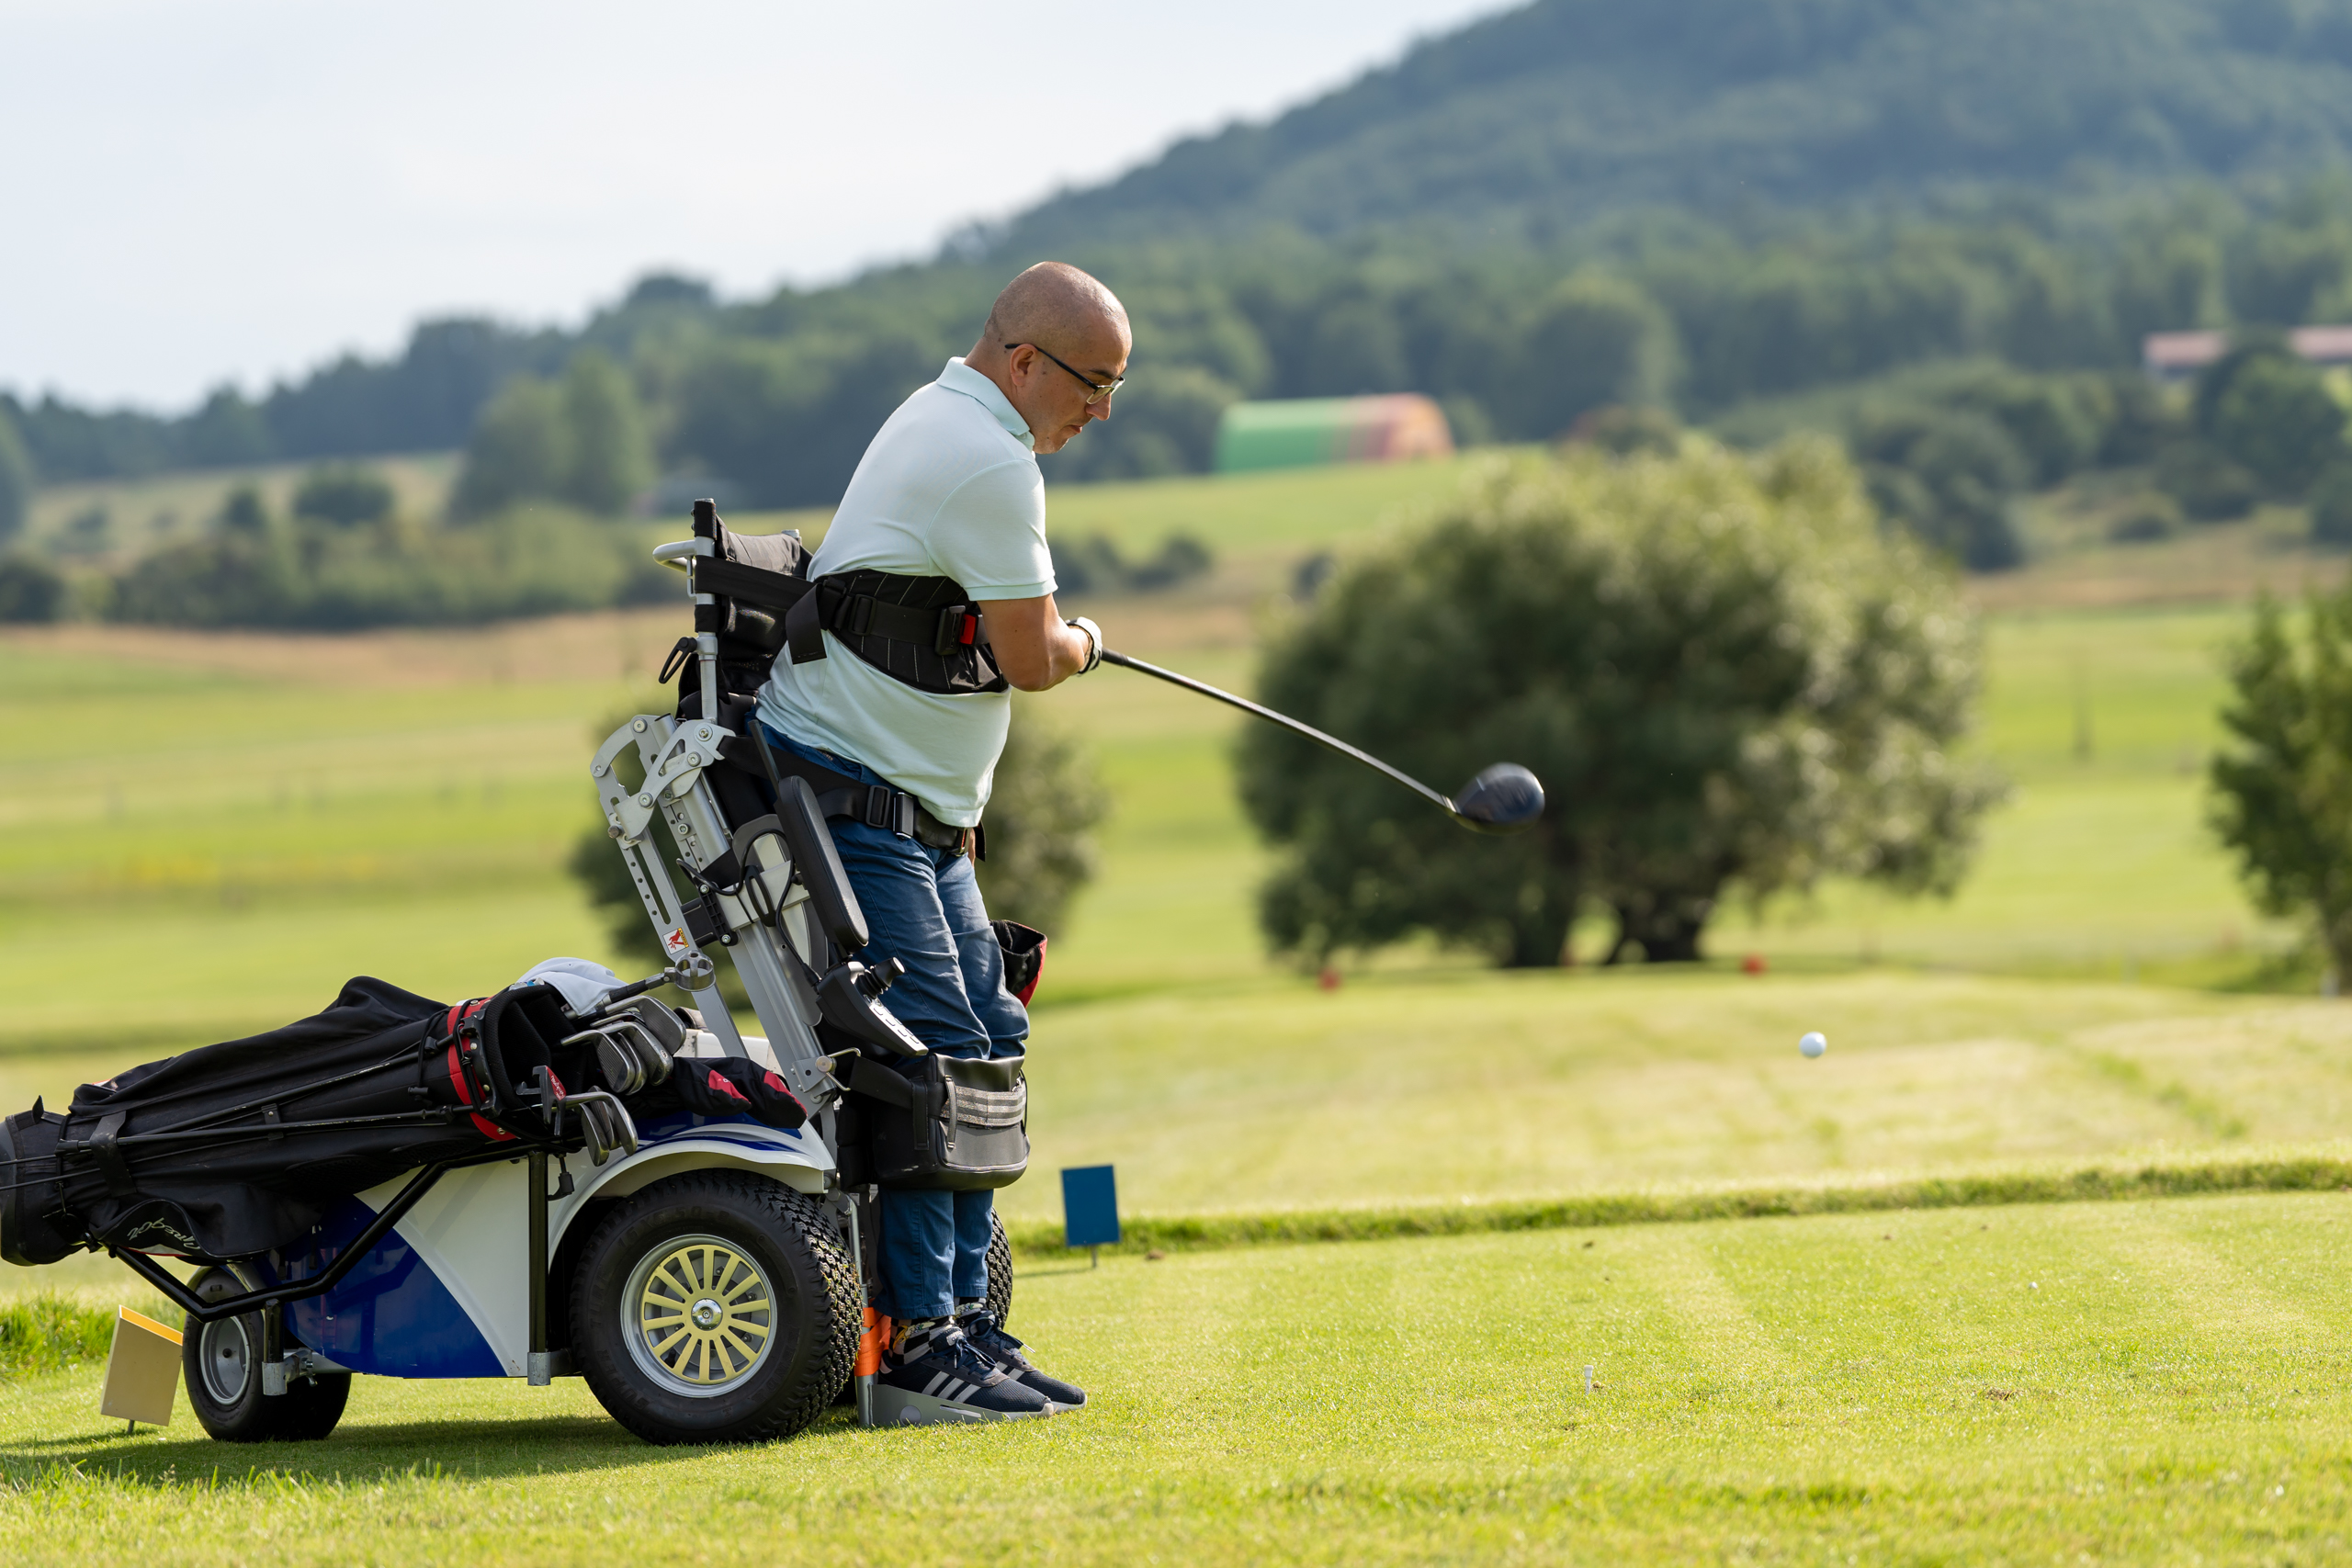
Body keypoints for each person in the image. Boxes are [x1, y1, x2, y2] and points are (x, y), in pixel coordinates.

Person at [752, 261, 1128, 1420]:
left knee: (991, 1030)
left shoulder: (949, 416)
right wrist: (1083, 640)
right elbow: (1028, 658)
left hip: (913, 813)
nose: (1098, 411)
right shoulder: (987, 457)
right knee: (934, 1054)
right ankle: (922, 1346)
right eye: (1090, 383)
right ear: (1023, 361)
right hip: (860, 803)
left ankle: (968, 1328)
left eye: (1117, 387)